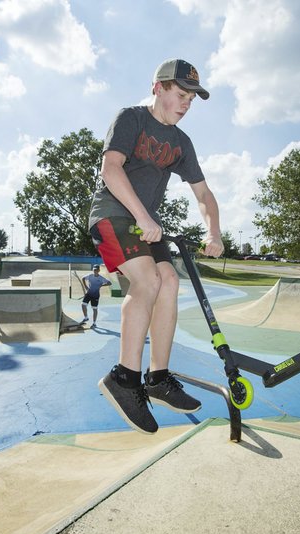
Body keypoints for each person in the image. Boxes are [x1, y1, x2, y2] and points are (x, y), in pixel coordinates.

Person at [88, 58, 224, 434]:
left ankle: (158, 378)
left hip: (146, 226)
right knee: (147, 282)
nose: (185, 104)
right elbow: (111, 169)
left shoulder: (182, 143)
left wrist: (213, 230)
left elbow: (203, 193)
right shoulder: (131, 118)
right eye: (180, 95)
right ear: (158, 88)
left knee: (170, 282)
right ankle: (124, 379)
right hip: (113, 215)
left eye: (191, 100)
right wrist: (145, 218)